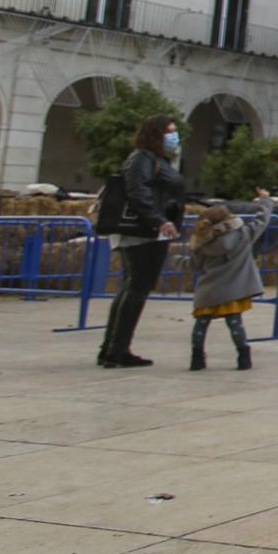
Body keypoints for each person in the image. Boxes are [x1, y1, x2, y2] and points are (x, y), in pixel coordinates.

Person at [97, 114, 184, 368]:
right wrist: (159, 220)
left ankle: (111, 348)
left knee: (131, 288)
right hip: (144, 233)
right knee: (136, 289)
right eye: (170, 131)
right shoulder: (143, 158)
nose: (174, 136)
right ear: (156, 133)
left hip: (149, 231)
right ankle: (117, 349)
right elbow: (138, 191)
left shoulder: (155, 159)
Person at [186, 192, 274, 371]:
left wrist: (175, 259)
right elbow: (262, 220)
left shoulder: (202, 245)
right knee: (235, 324)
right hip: (233, 291)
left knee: (201, 324)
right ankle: (243, 357)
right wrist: (265, 200)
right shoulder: (243, 234)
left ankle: (197, 358)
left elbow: (192, 266)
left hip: (208, 291)